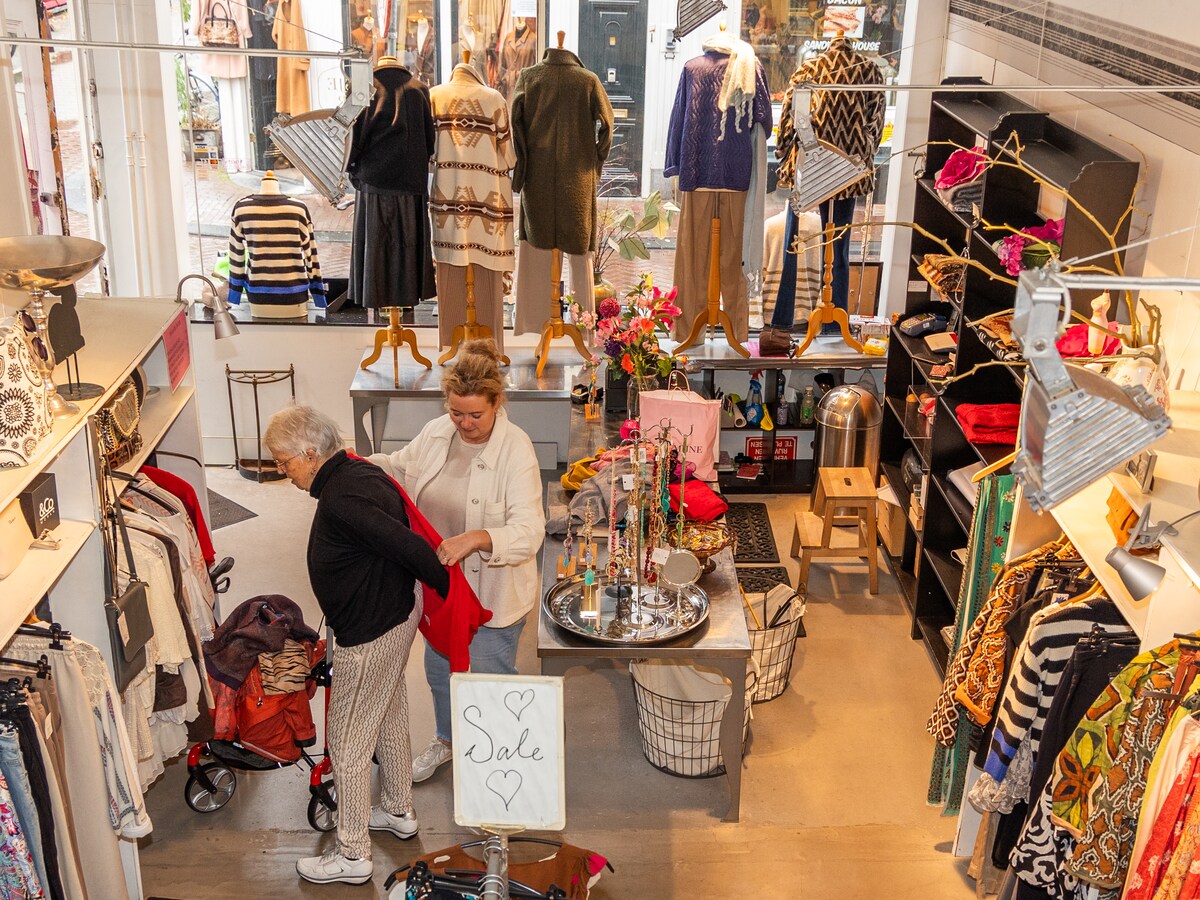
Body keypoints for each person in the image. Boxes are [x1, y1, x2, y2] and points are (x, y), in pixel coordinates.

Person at [264, 405, 449, 886]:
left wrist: (446, 586)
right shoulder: (358, 470)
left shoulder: (343, 497)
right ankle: (398, 810)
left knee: (346, 740)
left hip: (371, 631)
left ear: (310, 453)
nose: (284, 474)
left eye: (285, 463)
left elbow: (408, 545)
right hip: (391, 615)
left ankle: (351, 855)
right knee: (387, 711)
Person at [370, 339, 545, 783]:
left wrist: (478, 538)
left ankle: (496, 765)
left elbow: (529, 531)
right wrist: (350, 467)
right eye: (456, 412)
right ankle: (447, 740)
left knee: (487, 678)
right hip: (442, 587)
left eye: (475, 415)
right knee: (439, 668)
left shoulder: (516, 450)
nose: (464, 424)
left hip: (492, 592)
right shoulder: (436, 433)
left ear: (496, 403)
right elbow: (398, 468)